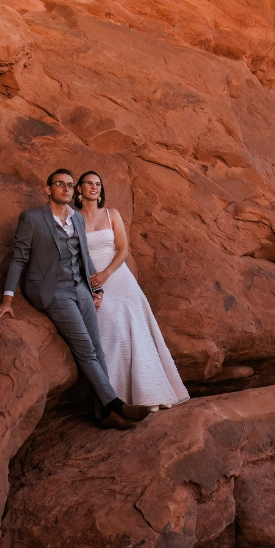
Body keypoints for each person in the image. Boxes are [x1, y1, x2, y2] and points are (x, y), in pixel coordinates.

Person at [0, 169, 152, 430]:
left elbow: (83, 257)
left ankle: (104, 413)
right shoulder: (31, 218)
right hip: (53, 292)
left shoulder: (76, 218)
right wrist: (7, 299)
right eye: (59, 184)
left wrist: (94, 289)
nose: (65, 188)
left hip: (80, 288)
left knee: (98, 348)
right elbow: (18, 258)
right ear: (48, 189)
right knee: (85, 348)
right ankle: (115, 405)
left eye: (69, 185)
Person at [76, 171, 189, 410]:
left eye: (98, 184)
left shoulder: (111, 214)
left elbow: (123, 249)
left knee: (136, 329)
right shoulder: (74, 219)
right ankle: (118, 398)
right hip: (93, 280)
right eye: (89, 183)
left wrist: (106, 274)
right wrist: (90, 281)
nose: (94, 187)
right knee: (110, 332)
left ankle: (151, 394)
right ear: (79, 189)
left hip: (118, 276)